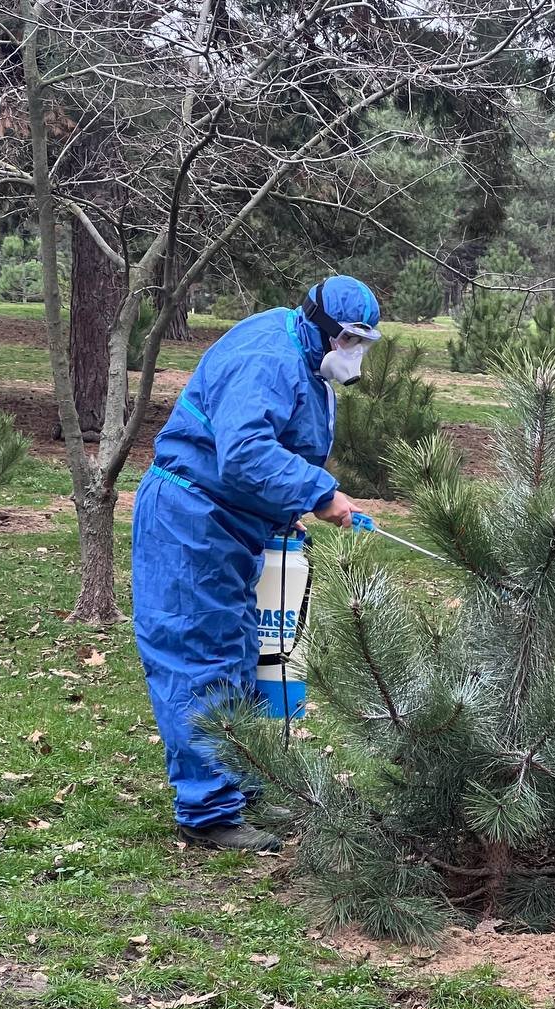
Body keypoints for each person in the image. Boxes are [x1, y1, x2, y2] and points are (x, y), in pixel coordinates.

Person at [132, 275, 381, 852]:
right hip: (191, 519)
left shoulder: (305, 357)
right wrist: (319, 494)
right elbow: (244, 452)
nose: (354, 353)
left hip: (230, 522)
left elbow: (278, 445)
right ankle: (209, 811)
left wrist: (284, 510)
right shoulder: (267, 358)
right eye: (349, 339)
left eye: (364, 342)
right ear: (321, 324)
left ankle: (241, 782)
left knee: (238, 651)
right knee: (199, 657)